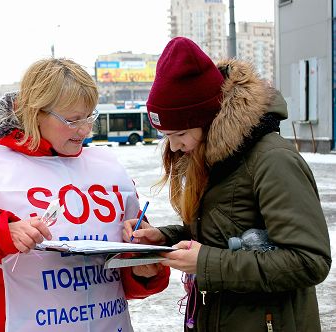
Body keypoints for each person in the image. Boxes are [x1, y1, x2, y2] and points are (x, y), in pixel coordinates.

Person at [0, 58, 170, 331]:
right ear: (35, 113)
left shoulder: (108, 169)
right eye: (72, 119)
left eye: (90, 116)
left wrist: (142, 270)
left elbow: (123, 276)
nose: (85, 129)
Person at [124, 37, 332, 331]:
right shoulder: (213, 156)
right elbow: (225, 230)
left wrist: (206, 263)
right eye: (166, 135)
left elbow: (310, 260)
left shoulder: (273, 160)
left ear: (208, 118)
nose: (173, 147)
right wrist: (164, 237)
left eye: (180, 132)